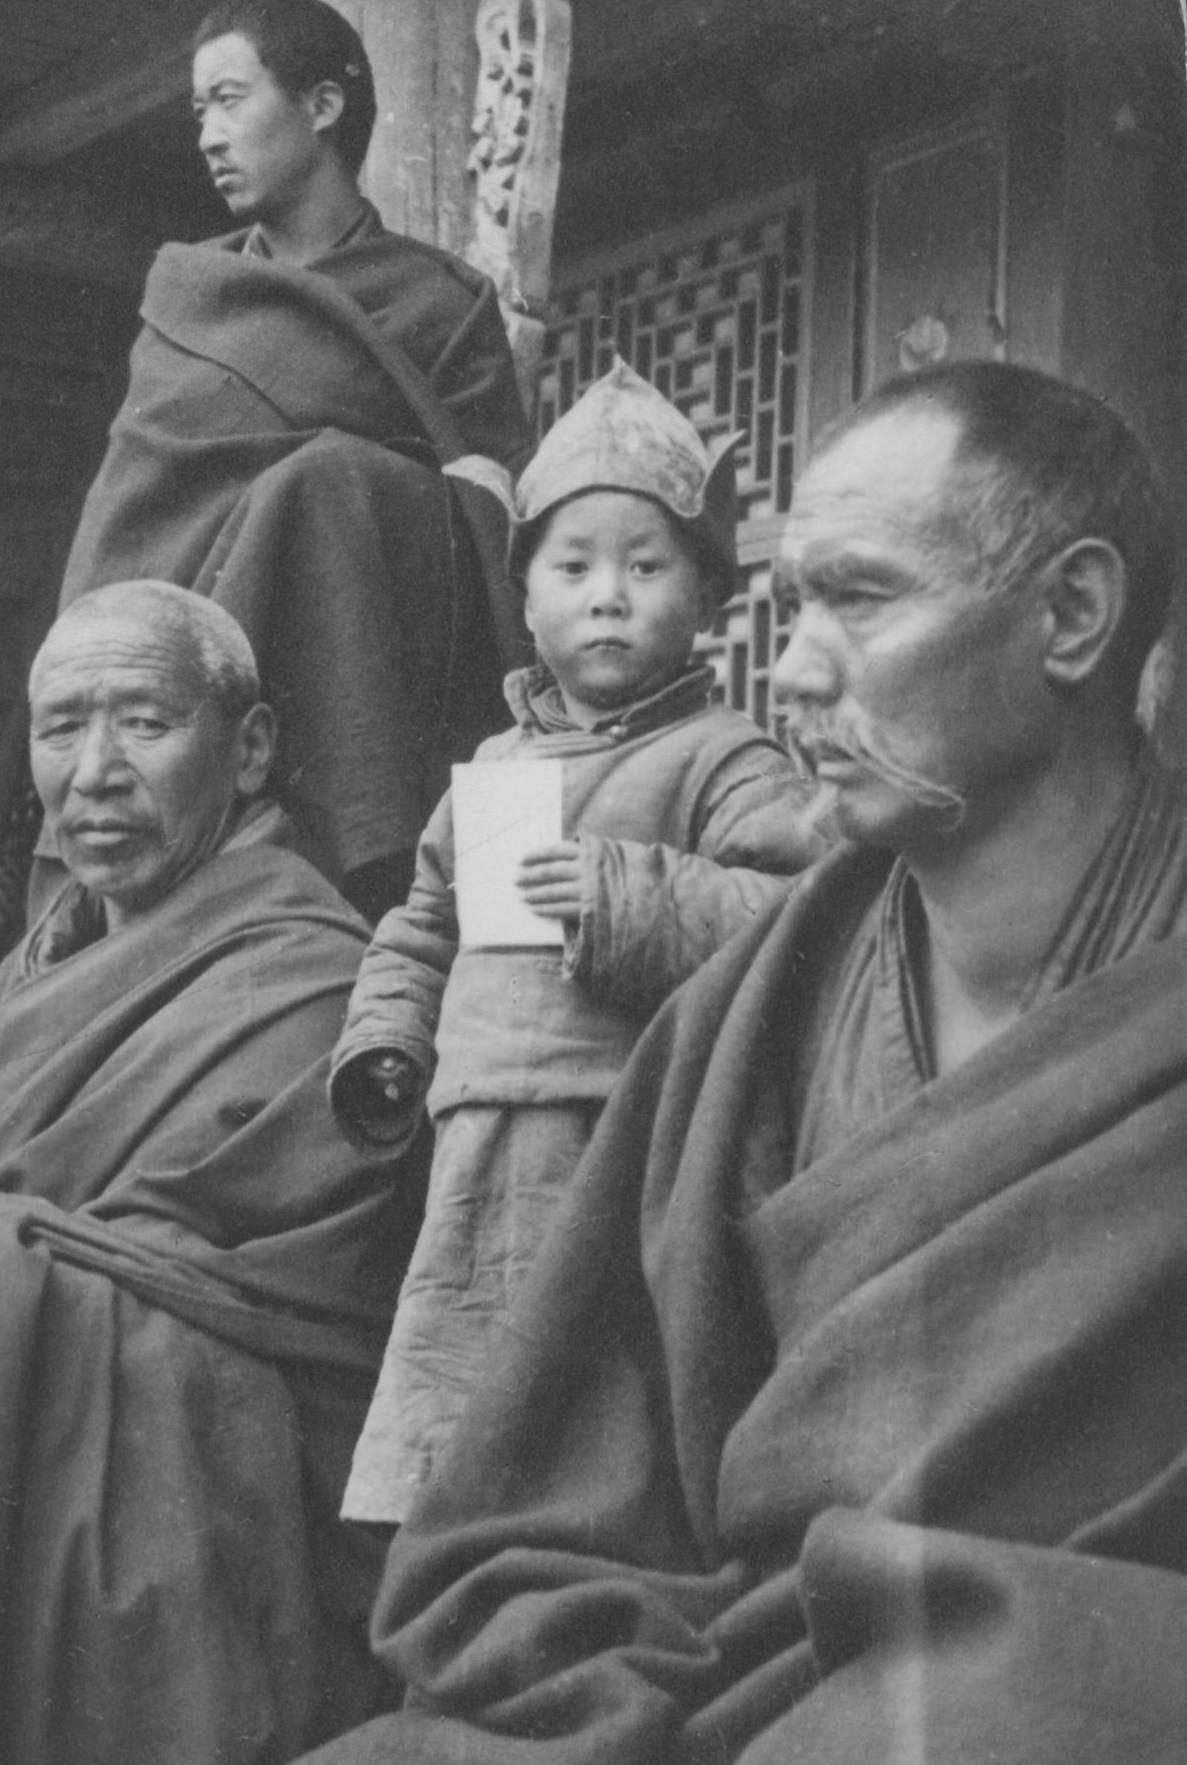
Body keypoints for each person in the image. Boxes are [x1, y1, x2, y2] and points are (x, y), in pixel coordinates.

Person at [297, 361, 1187, 1765]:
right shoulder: (761, 1002)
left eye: (862, 597)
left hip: (1059, 1682)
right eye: (793, 604)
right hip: (731, 1660)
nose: (791, 669)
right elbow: (541, 1517)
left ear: (1067, 614)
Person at [327, 360, 822, 1525]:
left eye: (646, 566)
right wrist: (386, 1036)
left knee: (594, 1403)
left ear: (706, 596)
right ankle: (456, 1575)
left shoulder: (725, 755)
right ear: (528, 597)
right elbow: (422, 924)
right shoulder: (495, 769)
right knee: (462, 1395)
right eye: (574, 565)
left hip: (623, 1135)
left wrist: (620, 892)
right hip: (473, 1133)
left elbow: (797, 920)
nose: (608, 595)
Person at [0, 580, 427, 1765]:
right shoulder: (50, 962)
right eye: (57, 728)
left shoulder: (314, 979)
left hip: (230, 1495)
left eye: (141, 721)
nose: (92, 771)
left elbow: (266, 1307)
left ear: (249, 751)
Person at [47, 0, 531, 922]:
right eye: (198, 112)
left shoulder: (439, 303)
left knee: (333, 482)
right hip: (168, 716)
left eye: (229, 99)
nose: (210, 135)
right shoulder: (190, 303)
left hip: (368, 696)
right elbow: (125, 528)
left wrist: (339, 498)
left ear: (319, 106)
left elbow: (497, 529)